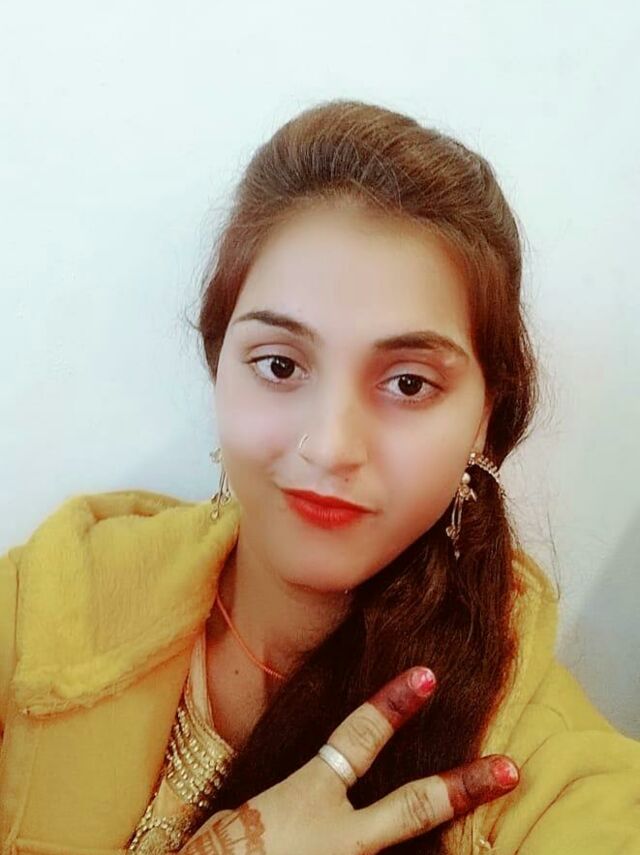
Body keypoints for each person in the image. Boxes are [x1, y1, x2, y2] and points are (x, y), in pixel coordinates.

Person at [0, 99, 638, 855]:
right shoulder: (51, 601)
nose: (330, 446)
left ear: (483, 417)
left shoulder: (554, 778)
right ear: (219, 365)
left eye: (408, 383)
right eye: (280, 366)